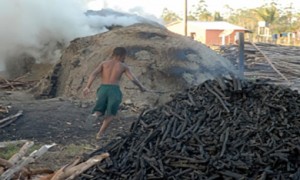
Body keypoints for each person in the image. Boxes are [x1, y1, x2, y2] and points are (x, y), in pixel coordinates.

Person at [83, 47, 148, 140]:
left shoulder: (104, 63)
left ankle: (95, 115)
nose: (124, 58)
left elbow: (93, 74)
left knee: (99, 109)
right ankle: (100, 134)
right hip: (114, 90)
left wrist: (87, 87)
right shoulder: (123, 66)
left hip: (103, 89)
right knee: (111, 113)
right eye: (124, 56)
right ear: (121, 55)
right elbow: (133, 79)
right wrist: (141, 87)